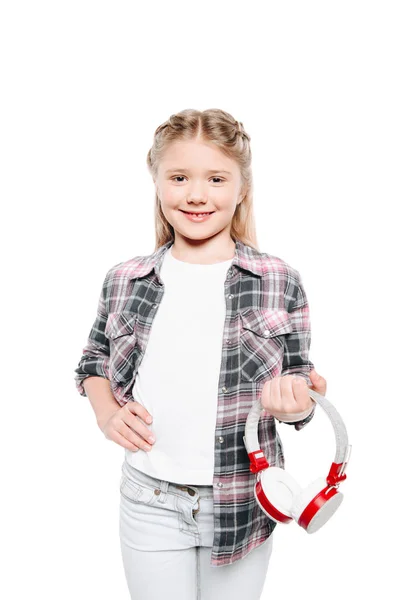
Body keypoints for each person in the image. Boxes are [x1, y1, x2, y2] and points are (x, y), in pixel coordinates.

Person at [74, 108, 327, 600]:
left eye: (215, 178)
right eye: (179, 177)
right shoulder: (125, 279)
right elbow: (92, 363)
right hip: (149, 498)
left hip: (246, 499)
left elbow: (301, 387)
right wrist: (106, 414)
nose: (196, 194)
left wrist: (300, 404)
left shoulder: (280, 280)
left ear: (241, 189)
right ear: (158, 184)